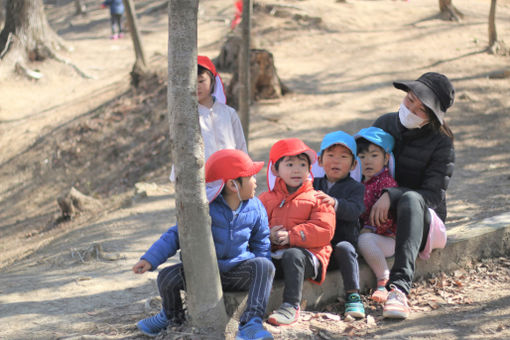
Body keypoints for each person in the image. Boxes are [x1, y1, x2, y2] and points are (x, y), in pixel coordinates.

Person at [134, 149, 275, 340]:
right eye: (250, 177)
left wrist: (263, 278)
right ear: (233, 185)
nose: (256, 181)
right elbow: (176, 234)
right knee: (167, 276)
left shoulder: (256, 207)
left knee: (264, 265)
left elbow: (261, 242)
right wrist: (150, 259)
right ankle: (171, 316)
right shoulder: (204, 208)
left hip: (237, 271)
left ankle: (251, 323)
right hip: (203, 274)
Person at [370, 72, 454, 319]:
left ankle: (399, 290)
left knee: (410, 199)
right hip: (382, 218)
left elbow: (432, 195)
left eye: (421, 110)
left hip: (424, 219)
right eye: (410, 100)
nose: (411, 109)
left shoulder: (442, 143)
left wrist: (392, 194)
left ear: (433, 117)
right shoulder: (383, 124)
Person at [258, 138, 335, 326]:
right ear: (275, 170)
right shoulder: (264, 200)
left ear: (309, 169)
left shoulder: (318, 198)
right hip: (275, 257)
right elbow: (252, 230)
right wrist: (268, 235)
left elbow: (324, 230)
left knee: (293, 254)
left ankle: (291, 306)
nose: (296, 169)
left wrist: (291, 237)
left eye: (302, 164)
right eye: (289, 164)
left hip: (308, 257)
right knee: (256, 261)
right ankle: (254, 308)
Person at [312, 131, 366, 318]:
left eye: (343, 157)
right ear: (319, 161)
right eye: (331, 155)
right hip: (318, 247)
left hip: (340, 247)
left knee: (345, 248)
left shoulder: (356, 188)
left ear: (353, 165)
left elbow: (355, 210)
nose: (336, 161)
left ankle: (353, 296)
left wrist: (334, 203)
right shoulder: (312, 185)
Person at [170, 56, 247, 182]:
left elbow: (241, 145)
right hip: (202, 181)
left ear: (212, 81)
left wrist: (246, 174)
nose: (197, 86)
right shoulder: (187, 117)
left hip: (230, 178)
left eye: (201, 81)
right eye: (192, 82)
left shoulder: (228, 113)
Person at [354, 127, 398, 303]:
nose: (367, 161)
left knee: (364, 240)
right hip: (369, 236)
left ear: (386, 158)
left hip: (388, 238)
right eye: (362, 156)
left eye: (374, 155)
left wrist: (368, 228)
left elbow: (386, 217)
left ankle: (383, 280)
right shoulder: (359, 183)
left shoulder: (386, 184)